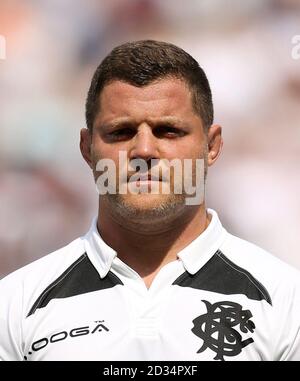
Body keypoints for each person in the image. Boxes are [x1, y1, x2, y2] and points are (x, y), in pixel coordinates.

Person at [0, 40, 299, 362]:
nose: (144, 151)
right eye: (121, 131)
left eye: (168, 131)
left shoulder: (286, 301)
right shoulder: (15, 304)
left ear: (212, 146)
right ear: (87, 149)